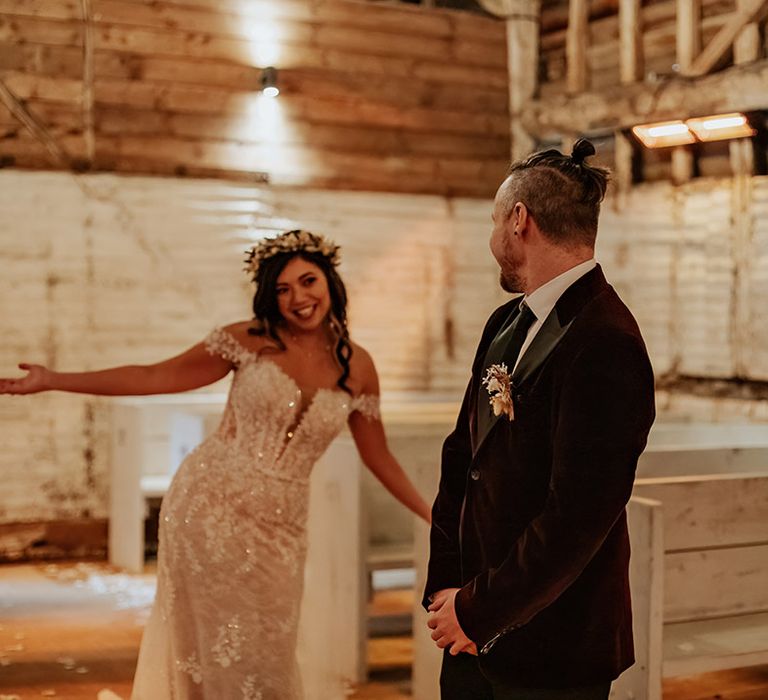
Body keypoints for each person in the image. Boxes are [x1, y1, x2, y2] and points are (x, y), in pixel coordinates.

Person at [1, 229, 431, 699]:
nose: (298, 298)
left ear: (330, 281)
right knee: (212, 648)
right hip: (209, 509)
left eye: (308, 281)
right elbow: (156, 376)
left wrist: (433, 514)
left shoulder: (359, 366)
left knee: (269, 647)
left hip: (283, 527)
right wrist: (54, 380)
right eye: (283, 290)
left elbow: (378, 455)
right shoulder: (247, 340)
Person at [423, 140, 656, 699]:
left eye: (494, 220)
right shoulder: (505, 321)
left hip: (554, 645)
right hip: (468, 630)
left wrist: (480, 611)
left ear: (519, 220)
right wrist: (448, 587)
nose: (492, 238)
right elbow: (464, 457)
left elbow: (577, 514)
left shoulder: (606, 339)